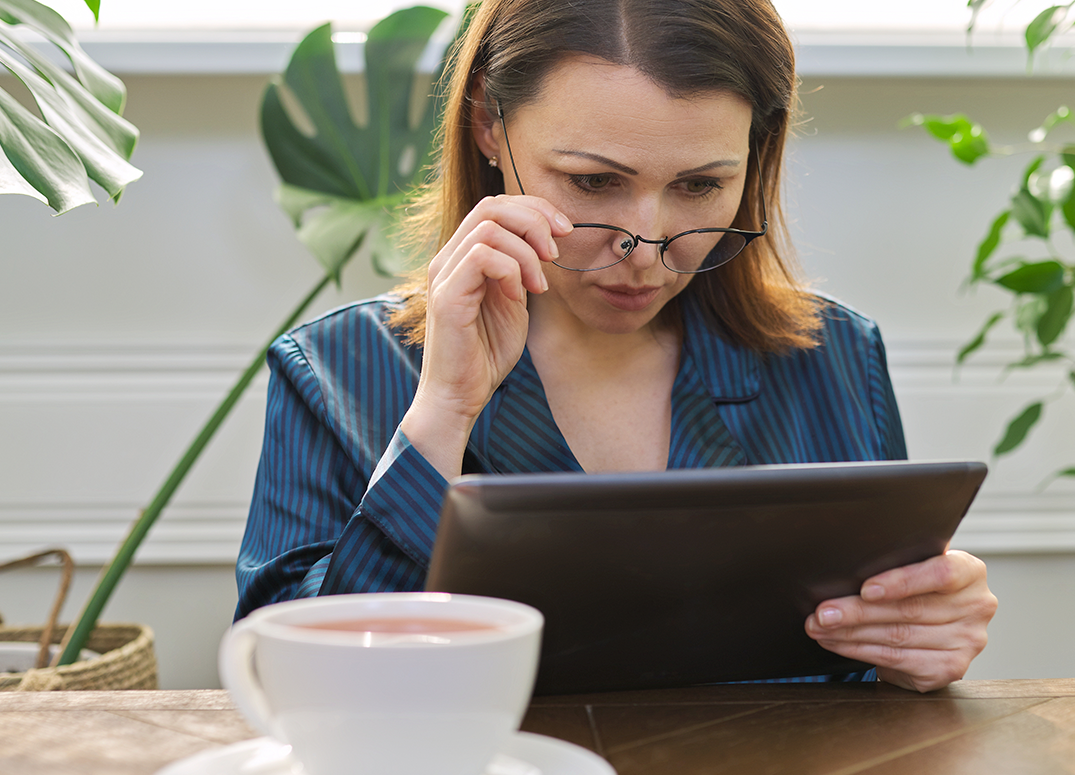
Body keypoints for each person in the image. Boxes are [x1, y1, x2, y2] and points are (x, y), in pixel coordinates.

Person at [236, 0, 997, 692]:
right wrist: (442, 412)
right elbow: (288, 683)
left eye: (699, 185)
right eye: (594, 183)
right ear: (488, 127)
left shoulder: (835, 359)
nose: (649, 246)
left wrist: (916, 641)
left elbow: (864, 672)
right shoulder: (335, 371)